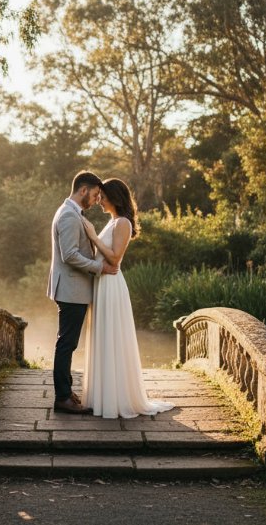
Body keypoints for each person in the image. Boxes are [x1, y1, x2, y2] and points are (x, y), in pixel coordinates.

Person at [80, 178, 174, 418]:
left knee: (112, 337)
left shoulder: (122, 223)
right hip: (102, 284)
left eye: (102, 196)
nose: (98, 200)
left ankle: (116, 398)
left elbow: (114, 259)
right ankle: (102, 396)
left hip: (111, 285)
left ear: (114, 197)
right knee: (103, 337)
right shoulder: (112, 222)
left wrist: (93, 236)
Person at [47, 171, 119, 414]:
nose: (96, 199)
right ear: (83, 190)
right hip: (70, 289)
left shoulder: (71, 212)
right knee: (67, 344)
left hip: (72, 289)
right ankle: (62, 398)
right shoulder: (68, 215)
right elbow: (70, 255)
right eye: (95, 194)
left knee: (68, 342)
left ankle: (65, 392)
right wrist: (101, 267)